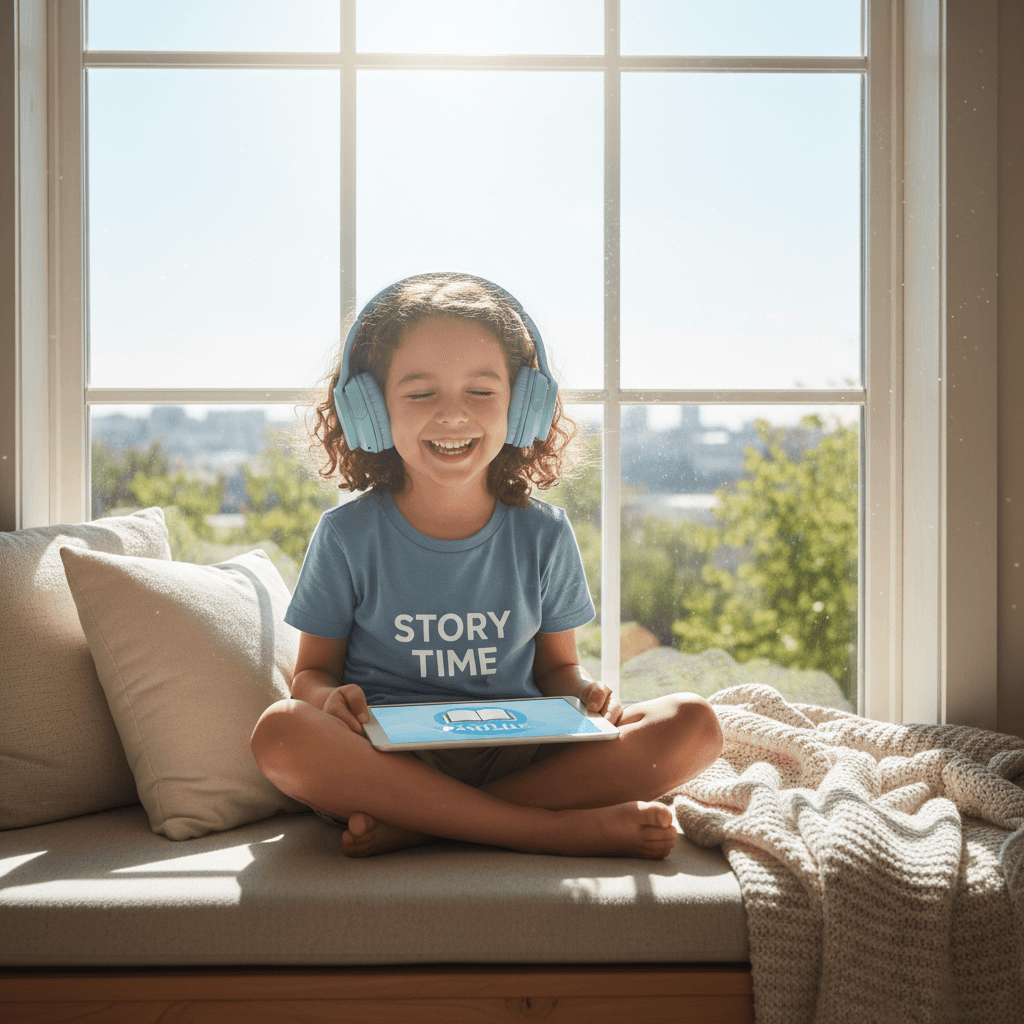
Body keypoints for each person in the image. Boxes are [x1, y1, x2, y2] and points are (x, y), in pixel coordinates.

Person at [250, 272, 724, 859]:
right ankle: (547, 831)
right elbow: (310, 677)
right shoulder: (345, 536)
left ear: (523, 408)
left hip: (519, 752)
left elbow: (557, 670)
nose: (453, 415)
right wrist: (326, 701)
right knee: (280, 731)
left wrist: (584, 693)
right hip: (389, 759)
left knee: (694, 722)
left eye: (481, 392)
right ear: (371, 412)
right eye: (421, 394)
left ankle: (426, 827)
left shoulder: (544, 532)